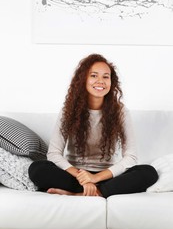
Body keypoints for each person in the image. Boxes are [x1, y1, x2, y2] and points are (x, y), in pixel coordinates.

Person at [28, 53, 158, 198]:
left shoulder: (120, 112)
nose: (100, 81)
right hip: (76, 175)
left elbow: (131, 157)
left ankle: (79, 193)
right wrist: (83, 178)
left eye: (106, 77)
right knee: (37, 169)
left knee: (148, 172)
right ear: (83, 79)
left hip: (107, 176)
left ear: (111, 82)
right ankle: (97, 191)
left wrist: (95, 178)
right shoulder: (68, 110)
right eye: (94, 75)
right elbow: (53, 154)